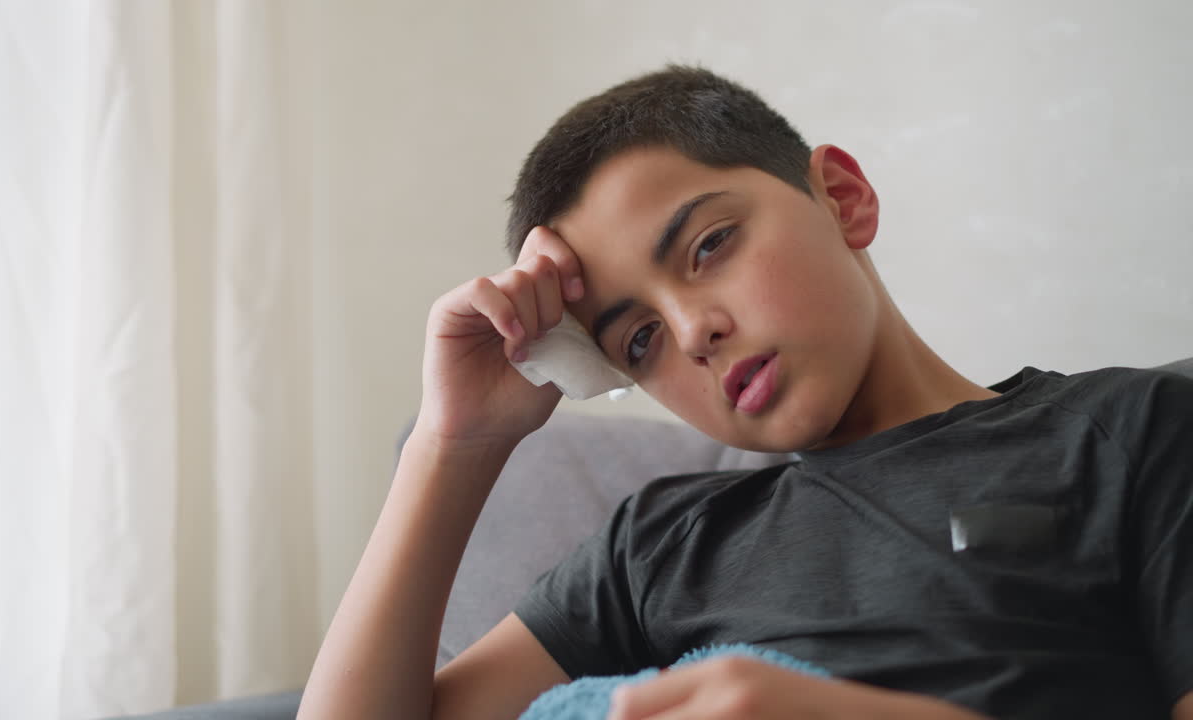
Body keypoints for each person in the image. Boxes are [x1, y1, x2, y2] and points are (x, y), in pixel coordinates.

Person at [298, 65, 1193, 720]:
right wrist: (453, 444)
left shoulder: (1126, 433)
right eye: (638, 339)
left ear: (840, 198)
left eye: (709, 246)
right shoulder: (655, 547)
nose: (690, 332)